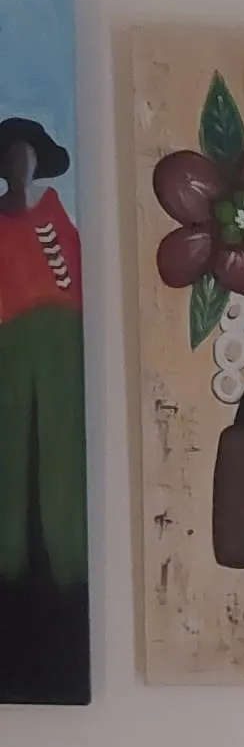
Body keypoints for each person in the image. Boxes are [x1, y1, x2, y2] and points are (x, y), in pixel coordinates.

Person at [0, 117, 85, 589]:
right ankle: (7, 558)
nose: (19, 163)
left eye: (26, 154)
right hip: (9, 334)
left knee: (63, 439)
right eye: (10, 155)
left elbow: (74, 275)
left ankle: (71, 559)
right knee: (8, 441)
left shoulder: (52, 211)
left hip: (60, 331)